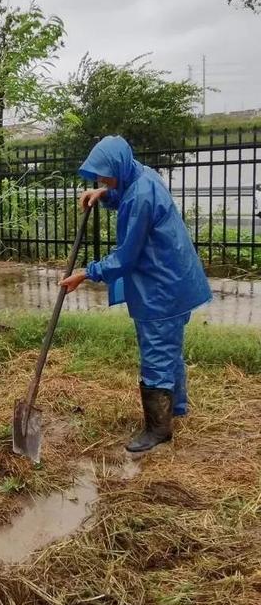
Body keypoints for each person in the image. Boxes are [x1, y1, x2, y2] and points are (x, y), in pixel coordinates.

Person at [60, 136, 212, 453]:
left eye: (105, 175)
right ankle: (176, 409)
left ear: (119, 167)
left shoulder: (140, 197)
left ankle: (158, 430)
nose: (102, 180)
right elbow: (122, 190)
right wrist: (103, 193)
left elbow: (125, 258)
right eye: (98, 177)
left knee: (156, 353)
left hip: (161, 287)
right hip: (175, 277)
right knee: (170, 349)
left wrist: (86, 274)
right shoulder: (141, 174)